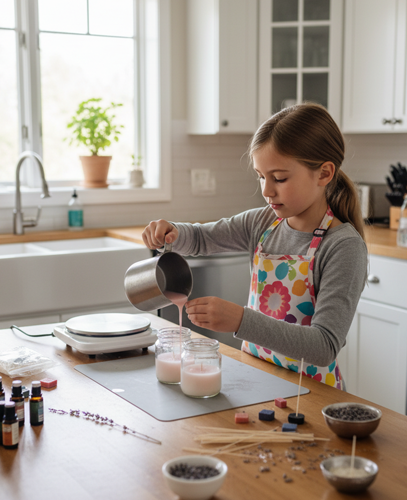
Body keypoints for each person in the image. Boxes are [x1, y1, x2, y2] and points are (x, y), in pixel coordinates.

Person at [142, 103, 368, 390]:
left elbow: (323, 347)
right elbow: (201, 238)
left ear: (324, 174)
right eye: (261, 176)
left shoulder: (343, 247)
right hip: (257, 380)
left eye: (280, 178)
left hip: (310, 394)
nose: (266, 190)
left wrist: (240, 320)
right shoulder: (262, 223)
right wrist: (172, 232)